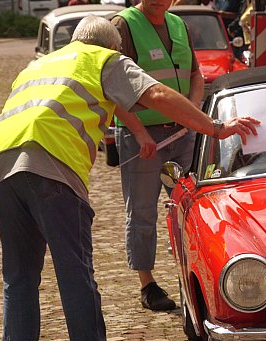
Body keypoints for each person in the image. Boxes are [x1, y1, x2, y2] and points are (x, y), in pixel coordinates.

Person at [0, 15, 258, 341]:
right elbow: (155, 95)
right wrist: (213, 127)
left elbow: (117, 105)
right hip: (50, 166)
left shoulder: (41, 64)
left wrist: (139, 132)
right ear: (116, 48)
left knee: (19, 275)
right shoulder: (105, 60)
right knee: (75, 273)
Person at [111, 0, 203, 311]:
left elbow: (196, 76)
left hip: (182, 135)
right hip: (145, 141)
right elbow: (113, 88)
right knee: (142, 211)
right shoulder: (123, 25)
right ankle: (147, 284)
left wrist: (191, 114)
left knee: (190, 209)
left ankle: (196, 274)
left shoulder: (179, 24)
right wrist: (138, 132)